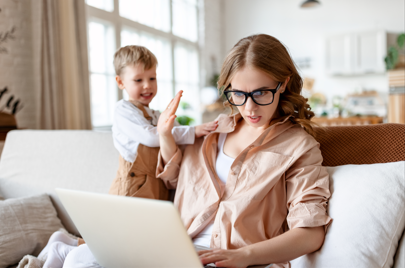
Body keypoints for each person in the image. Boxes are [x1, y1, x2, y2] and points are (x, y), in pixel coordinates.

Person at [63, 34, 332, 268]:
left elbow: (310, 234)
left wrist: (245, 255)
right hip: (173, 252)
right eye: (238, 94)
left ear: (283, 84)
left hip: (244, 262)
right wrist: (165, 135)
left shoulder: (299, 146)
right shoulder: (211, 133)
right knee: (79, 259)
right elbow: (171, 183)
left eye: (261, 93)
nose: (249, 108)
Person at [108, 45, 218, 200]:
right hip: (133, 187)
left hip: (159, 185)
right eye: (138, 80)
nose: (147, 85)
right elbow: (152, 137)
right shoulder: (123, 110)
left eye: (152, 78)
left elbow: (181, 137)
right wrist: (193, 131)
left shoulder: (156, 114)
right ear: (120, 82)